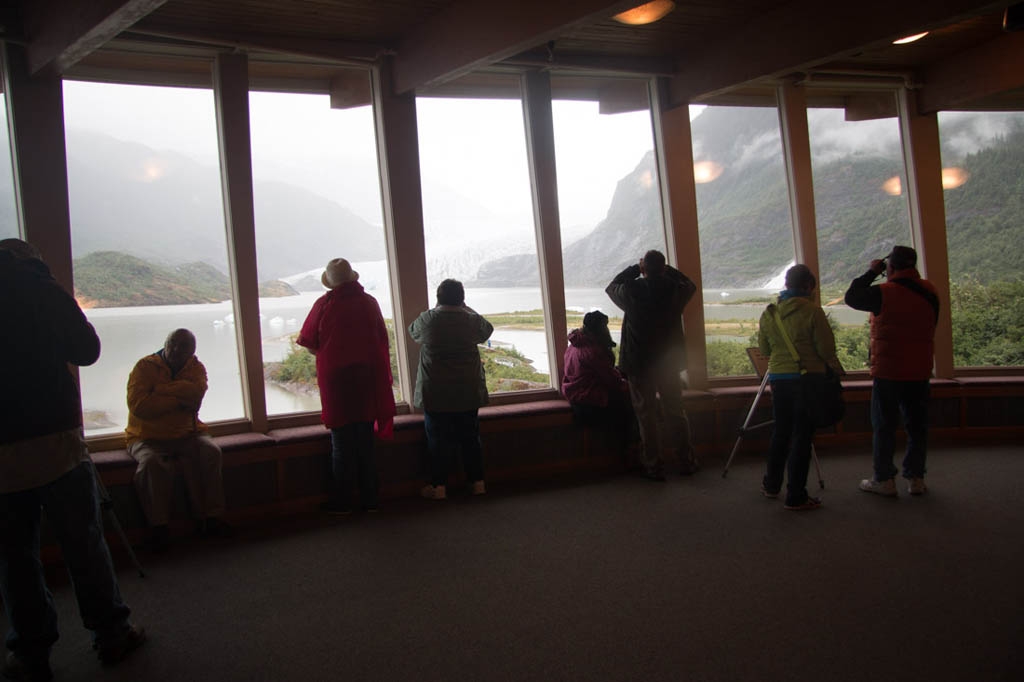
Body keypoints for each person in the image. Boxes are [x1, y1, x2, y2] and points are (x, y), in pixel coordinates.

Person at [1, 238, 145, 680]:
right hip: (57, 441)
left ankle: (31, 652)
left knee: (15, 557)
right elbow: (87, 351)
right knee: (84, 543)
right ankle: (111, 633)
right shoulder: (46, 293)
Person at [296, 258, 395, 514]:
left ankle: (342, 502)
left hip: (336, 381)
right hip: (365, 377)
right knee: (364, 438)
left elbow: (308, 342)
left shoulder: (324, 304)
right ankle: (370, 499)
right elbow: (382, 340)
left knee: (341, 441)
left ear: (331, 282)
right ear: (353, 278)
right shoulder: (369, 303)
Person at [845, 246, 939, 497]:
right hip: (919, 370)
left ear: (890, 267)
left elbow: (852, 297)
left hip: (889, 372)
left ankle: (885, 479)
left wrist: (871, 272)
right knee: (917, 426)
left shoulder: (884, 293)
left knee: (884, 426)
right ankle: (916, 478)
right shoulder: (931, 291)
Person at [126, 328, 230, 550]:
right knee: (151, 465)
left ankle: (211, 518)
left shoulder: (196, 368)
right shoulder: (144, 367)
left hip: (188, 433)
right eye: (172, 343)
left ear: (192, 352)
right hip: (146, 436)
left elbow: (196, 396)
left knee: (211, 452)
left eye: (183, 347)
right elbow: (140, 408)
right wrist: (179, 399)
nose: (176, 350)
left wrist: (160, 391)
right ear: (165, 342)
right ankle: (158, 527)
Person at [757, 264, 844, 511]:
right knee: (802, 436)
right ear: (808, 286)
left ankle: (771, 485)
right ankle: (795, 495)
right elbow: (826, 351)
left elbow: (764, 350)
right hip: (808, 379)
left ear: (786, 285)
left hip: (778, 378)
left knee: (781, 432)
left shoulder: (769, 313)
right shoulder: (813, 312)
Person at [606, 250, 698, 480]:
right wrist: (667, 271)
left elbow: (611, 286)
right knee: (676, 411)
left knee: (646, 416)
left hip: (639, 363)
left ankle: (653, 465)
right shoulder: (674, 290)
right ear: (664, 268)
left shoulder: (632, 290)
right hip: (668, 363)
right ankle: (685, 461)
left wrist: (635, 269)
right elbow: (689, 284)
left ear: (644, 267)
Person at [409, 279, 493, 500]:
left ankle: (439, 487)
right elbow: (487, 330)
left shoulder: (429, 319)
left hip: (436, 391)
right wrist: (466, 307)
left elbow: (413, 331)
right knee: (471, 438)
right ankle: (477, 483)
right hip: (467, 389)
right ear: (462, 298)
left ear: (438, 297)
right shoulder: (471, 321)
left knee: (437, 440)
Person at [561, 310, 632, 432]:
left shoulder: (574, 344)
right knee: (629, 403)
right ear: (600, 330)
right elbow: (612, 380)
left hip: (574, 394)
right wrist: (628, 385)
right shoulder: (593, 351)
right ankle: (627, 445)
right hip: (588, 401)